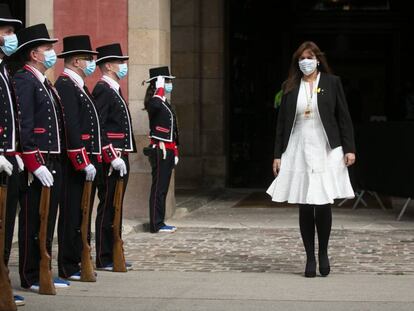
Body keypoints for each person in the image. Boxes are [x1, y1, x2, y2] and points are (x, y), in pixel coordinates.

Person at [266, 41, 356, 277]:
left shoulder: (331, 82)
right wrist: (277, 155)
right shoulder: (289, 86)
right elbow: (282, 125)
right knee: (305, 203)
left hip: (325, 148)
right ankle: (310, 258)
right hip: (298, 146)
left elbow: (343, 117)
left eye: (309, 57)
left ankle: (324, 252)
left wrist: (349, 148)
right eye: (301, 58)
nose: (305, 61)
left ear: (317, 59)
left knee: (323, 202)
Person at [13, 23, 70, 291]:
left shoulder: (43, 82)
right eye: (47, 49)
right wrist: (35, 163)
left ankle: (44, 268)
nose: (52, 53)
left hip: (52, 160)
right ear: (35, 54)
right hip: (39, 161)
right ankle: (30, 274)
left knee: (48, 219)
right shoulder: (24, 80)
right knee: (33, 220)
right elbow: (25, 125)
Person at [54, 35, 101, 281]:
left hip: (85, 161)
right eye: (88, 59)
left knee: (80, 213)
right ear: (75, 61)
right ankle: (68, 264)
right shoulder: (65, 84)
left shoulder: (79, 85)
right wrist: (82, 160)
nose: (92, 63)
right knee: (72, 212)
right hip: (75, 163)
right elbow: (71, 125)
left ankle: (77, 259)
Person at [92, 43, 136, 271]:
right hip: (112, 160)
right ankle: (103, 256)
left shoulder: (114, 89)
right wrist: (110, 156)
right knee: (108, 206)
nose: (123, 66)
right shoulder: (103, 89)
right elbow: (98, 126)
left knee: (116, 206)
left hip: (120, 156)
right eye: (120, 62)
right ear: (108, 65)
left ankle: (113, 252)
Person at [0, 3, 25, 306]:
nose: (11, 36)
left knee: (6, 227)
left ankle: (2, 280)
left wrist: (15, 152)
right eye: (6, 31)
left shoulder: (4, 69)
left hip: (8, 159)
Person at [143, 66, 179, 233]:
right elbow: (155, 107)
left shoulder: (164, 102)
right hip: (160, 150)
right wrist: (159, 88)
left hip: (169, 149)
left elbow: (174, 131)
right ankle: (155, 224)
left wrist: (176, 151)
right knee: (158, 187)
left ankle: (161, 221)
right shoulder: (154, 101)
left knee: (163, 188)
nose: (169, 84)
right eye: (167, 81)